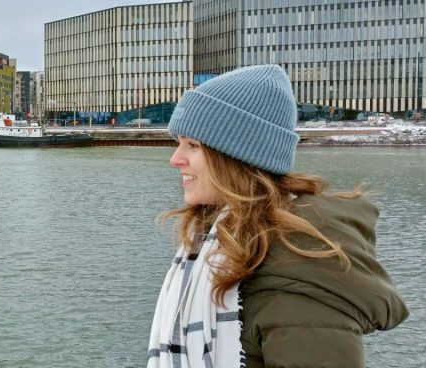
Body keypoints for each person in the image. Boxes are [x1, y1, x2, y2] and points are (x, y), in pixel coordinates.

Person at [147, 64, 408, 368]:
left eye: (192, 145)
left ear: (238, 157)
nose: (175, 159)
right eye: (178, 143)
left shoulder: (297, 268)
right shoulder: (217, 243)